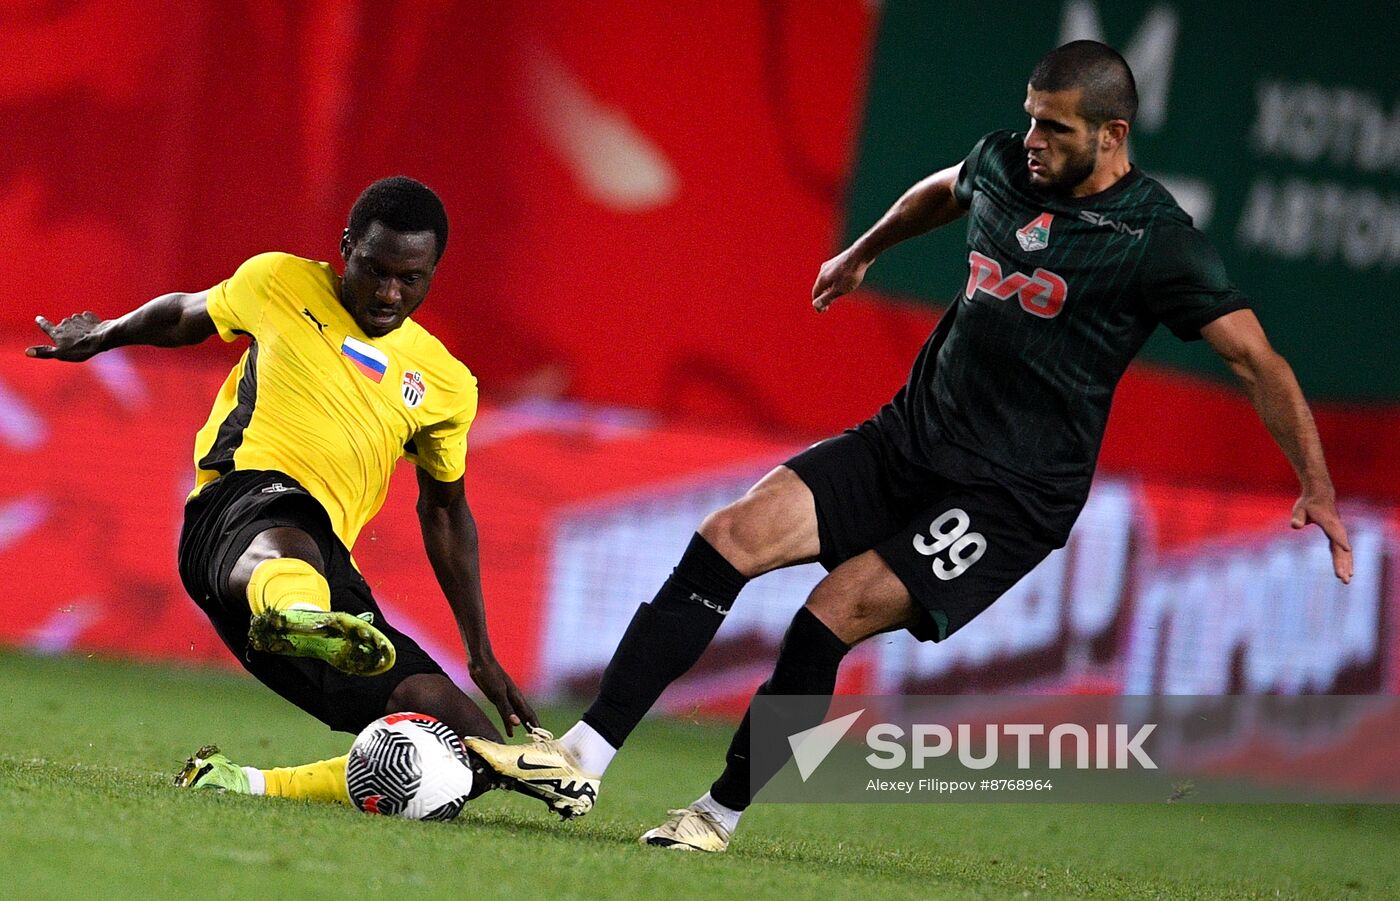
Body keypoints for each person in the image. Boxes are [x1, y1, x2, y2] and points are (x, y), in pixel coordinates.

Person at [462, 40, 1355, 847]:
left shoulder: (1155, 242)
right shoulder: (1007, 163)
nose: (1031, 136)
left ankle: (718, 812)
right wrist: (862, 252)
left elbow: (1257, 363)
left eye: (1055, 126)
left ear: (1112, 135)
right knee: (727, 536)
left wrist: (1314, 481)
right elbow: (945, 187)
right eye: (1029, 116)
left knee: (829, 615)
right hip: (907, 439)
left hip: (1009, 497)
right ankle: (582, 754)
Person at [27, 176, 536, 807]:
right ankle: (290, 610)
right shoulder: (280, 282)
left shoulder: (447, 383)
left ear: (434, 270)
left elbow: (445, 509)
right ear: (346, 247)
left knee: (466, 753)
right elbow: (188, 315)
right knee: (291, 529)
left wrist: (480, 655)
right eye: (374, 270)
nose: (388, 292)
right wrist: (104, 335)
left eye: (411, 278)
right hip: (232, 516)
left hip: (328, 573)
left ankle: (247, 780)